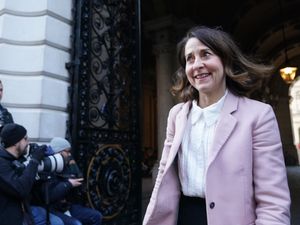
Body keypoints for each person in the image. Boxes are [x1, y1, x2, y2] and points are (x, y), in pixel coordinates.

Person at [143, 26, 291, 225]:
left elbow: (273, 200)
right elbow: (163, 176)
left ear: (225, 60)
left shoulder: (258, 115)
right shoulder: (176, 115)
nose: (197, 65)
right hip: (183, 217)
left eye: (206, 54)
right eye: (190, 58)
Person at [48, 137, 103, 225]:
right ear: (59, 152)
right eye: (67, 151)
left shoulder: (69, 162)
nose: (69, 154)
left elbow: (79, 178)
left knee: (97, 216)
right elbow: (51, 195)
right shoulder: (48, 165)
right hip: (52, 208)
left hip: (67, 205)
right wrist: (68, 184)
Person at [0, 123, 45, 225]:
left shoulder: (16, 160)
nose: (28, 142)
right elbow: (20, 189)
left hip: (21, 216)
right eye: (25, 138)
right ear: (15, 142)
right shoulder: (2, 164)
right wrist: (34, 161)